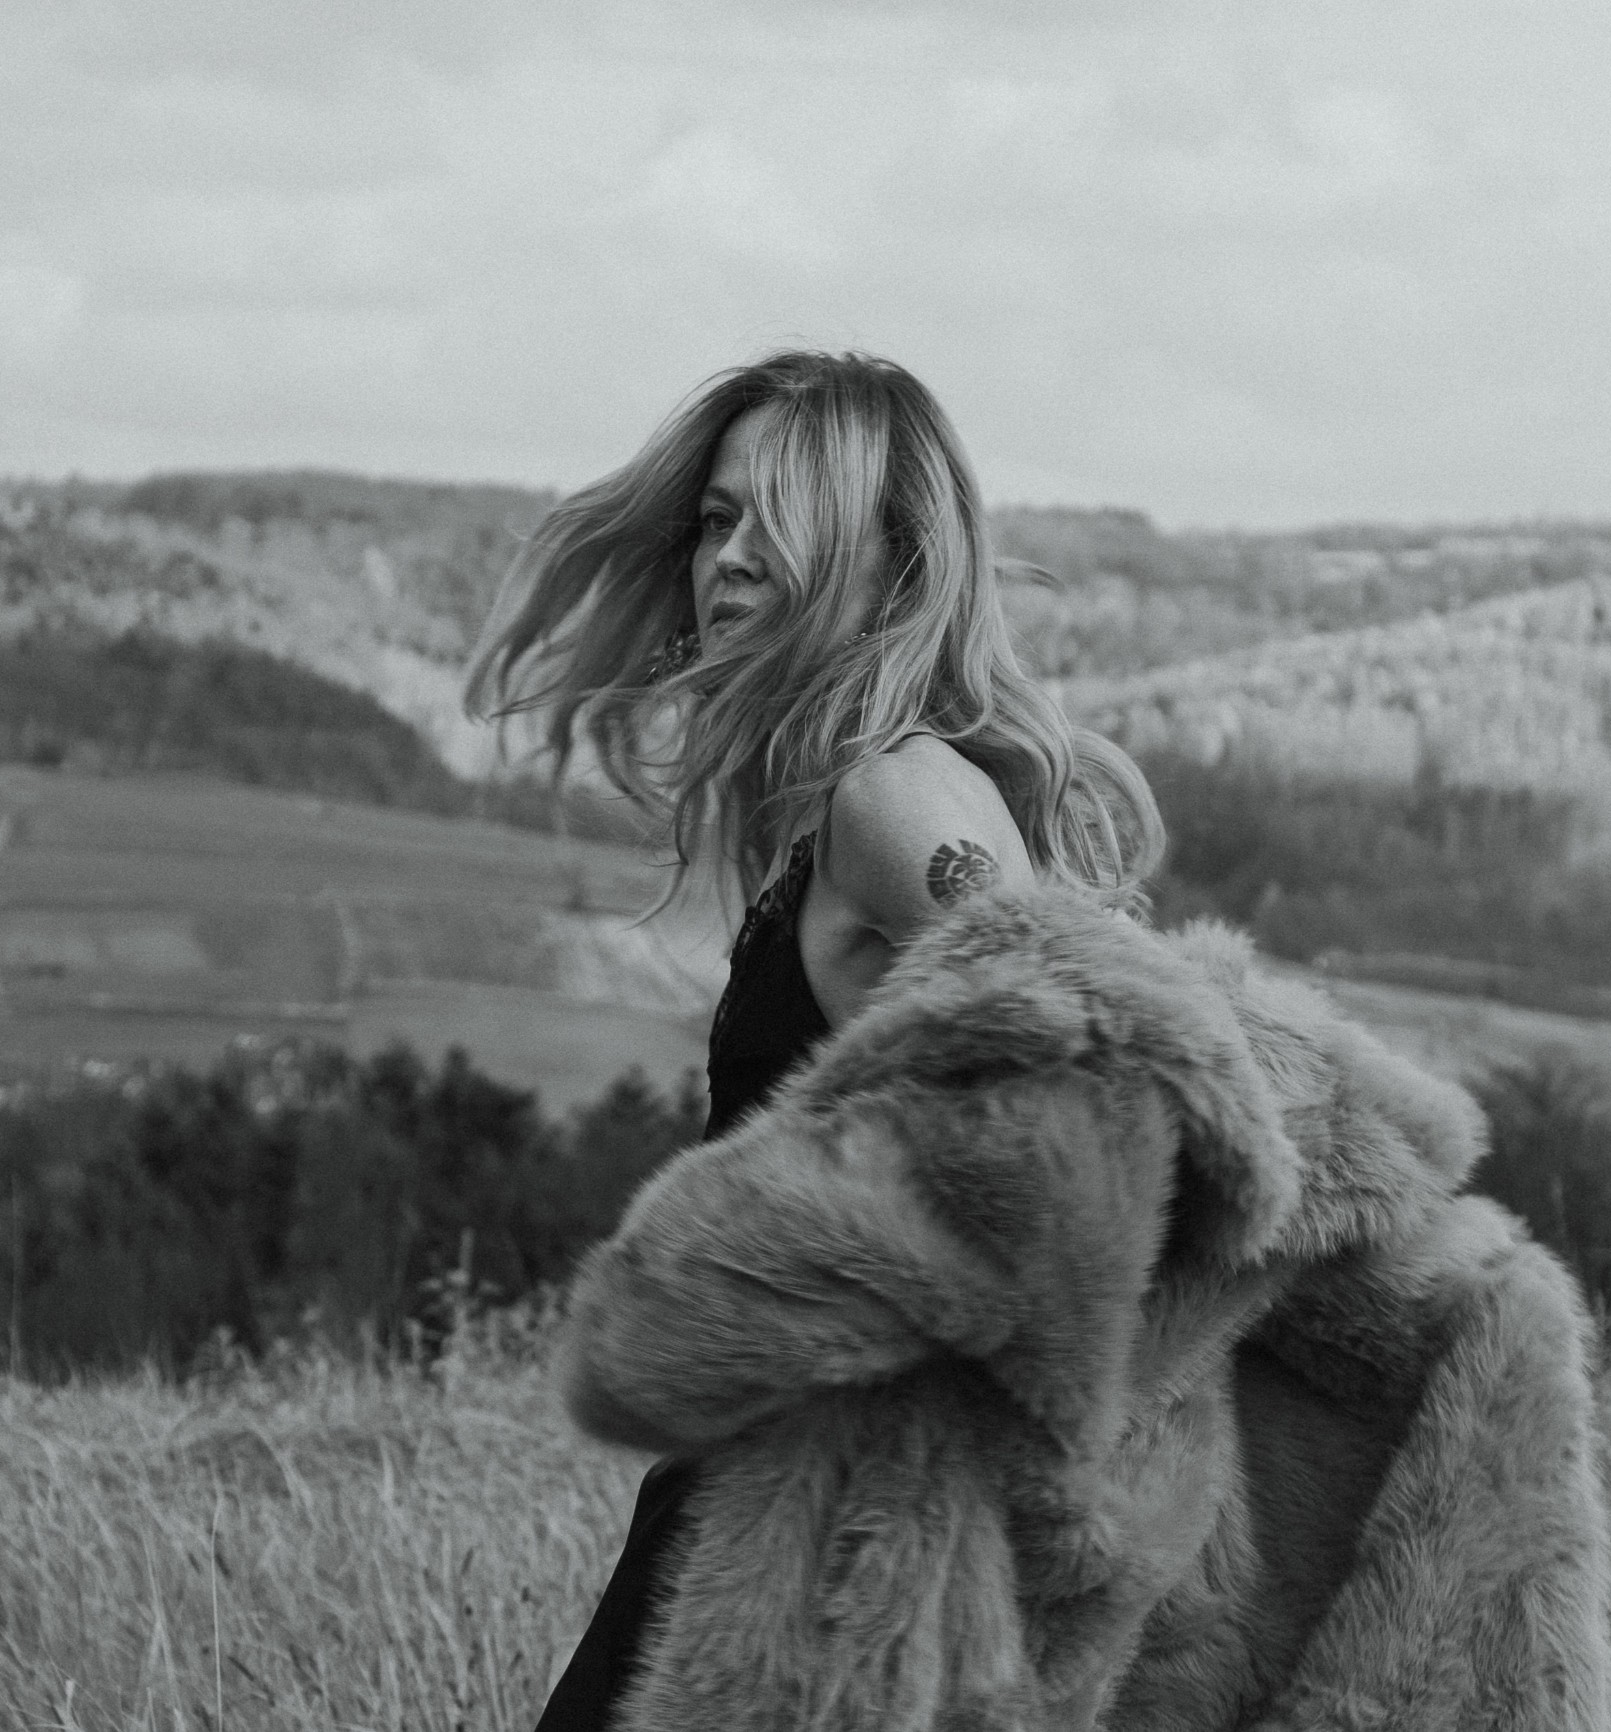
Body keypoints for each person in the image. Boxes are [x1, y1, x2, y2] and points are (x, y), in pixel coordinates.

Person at [463, 349, 1163, 1729]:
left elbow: (1098, 1097)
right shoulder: (839, 800)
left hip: (831, 1487)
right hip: (772, 1463)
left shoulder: (898, 797)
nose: (729, 558)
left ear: (884, 556)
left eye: (778, 521)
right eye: (717, 518)